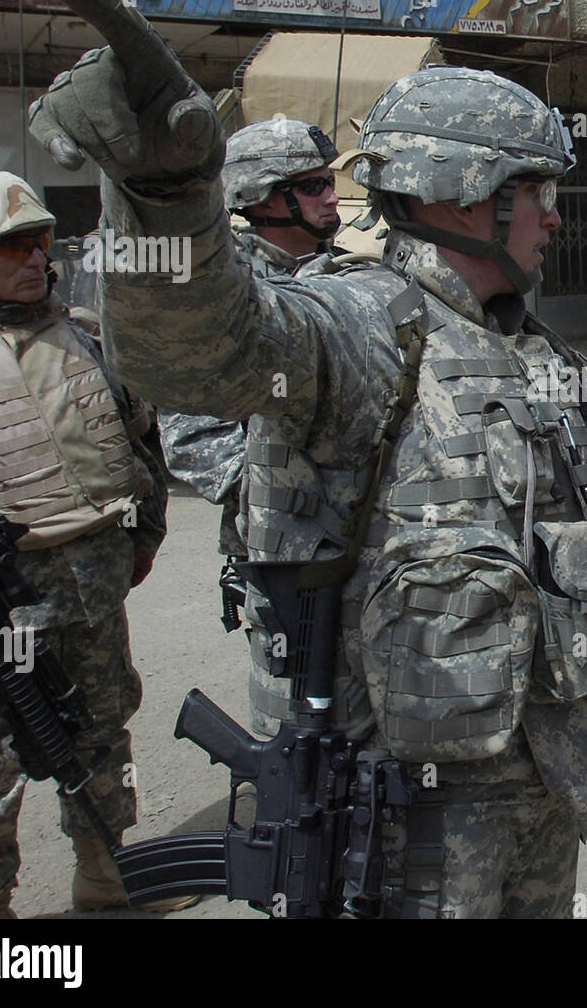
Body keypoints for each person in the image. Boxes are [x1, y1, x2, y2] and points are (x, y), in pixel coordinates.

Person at [27, 0, 587, 919]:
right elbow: (205, 354)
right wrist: (167, 192)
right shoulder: (363, 326)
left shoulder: (531, 347)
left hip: (544, 777)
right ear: (465, 193)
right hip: (415, 804)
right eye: (537, 191)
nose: (556, 216)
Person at [0, 171, 194, 917]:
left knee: (104, 734)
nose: (33, 257)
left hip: (93, 585)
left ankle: (108, 883)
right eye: (9, 245)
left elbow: (139, 446)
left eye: (40, 241)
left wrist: (143, 536)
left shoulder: (79, 332)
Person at [157, 118, 342, 736]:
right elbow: (190, 434)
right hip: (279, 553)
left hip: (353, 541)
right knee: (295, 727)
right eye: (313, 185)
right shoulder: (218, 295)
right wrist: (277, 491)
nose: (332, 197)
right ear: (263, 196)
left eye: (329, 182)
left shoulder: (338, 280)